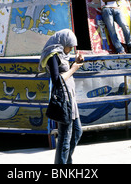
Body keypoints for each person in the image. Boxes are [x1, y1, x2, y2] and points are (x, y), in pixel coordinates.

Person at [39, 29, 84, 164]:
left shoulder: (62, 55)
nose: (70, 49)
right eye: (69, 46)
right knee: (65, 137)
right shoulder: (53, 55)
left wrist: (75, 63)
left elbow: (65, 72)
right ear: (63, 42)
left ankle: (65, 161)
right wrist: (73, 69)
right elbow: (57, 80)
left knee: (77, 132)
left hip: (71, 99)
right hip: (64, 100)